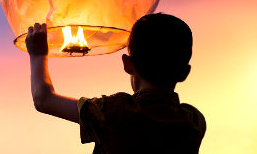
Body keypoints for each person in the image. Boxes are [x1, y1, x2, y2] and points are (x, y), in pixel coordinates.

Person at [26, 13, 206, 154]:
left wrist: (37, 55)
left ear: (128, 64)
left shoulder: (114, 111)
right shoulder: (194, 122)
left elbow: (43, 100)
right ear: (184, 73)